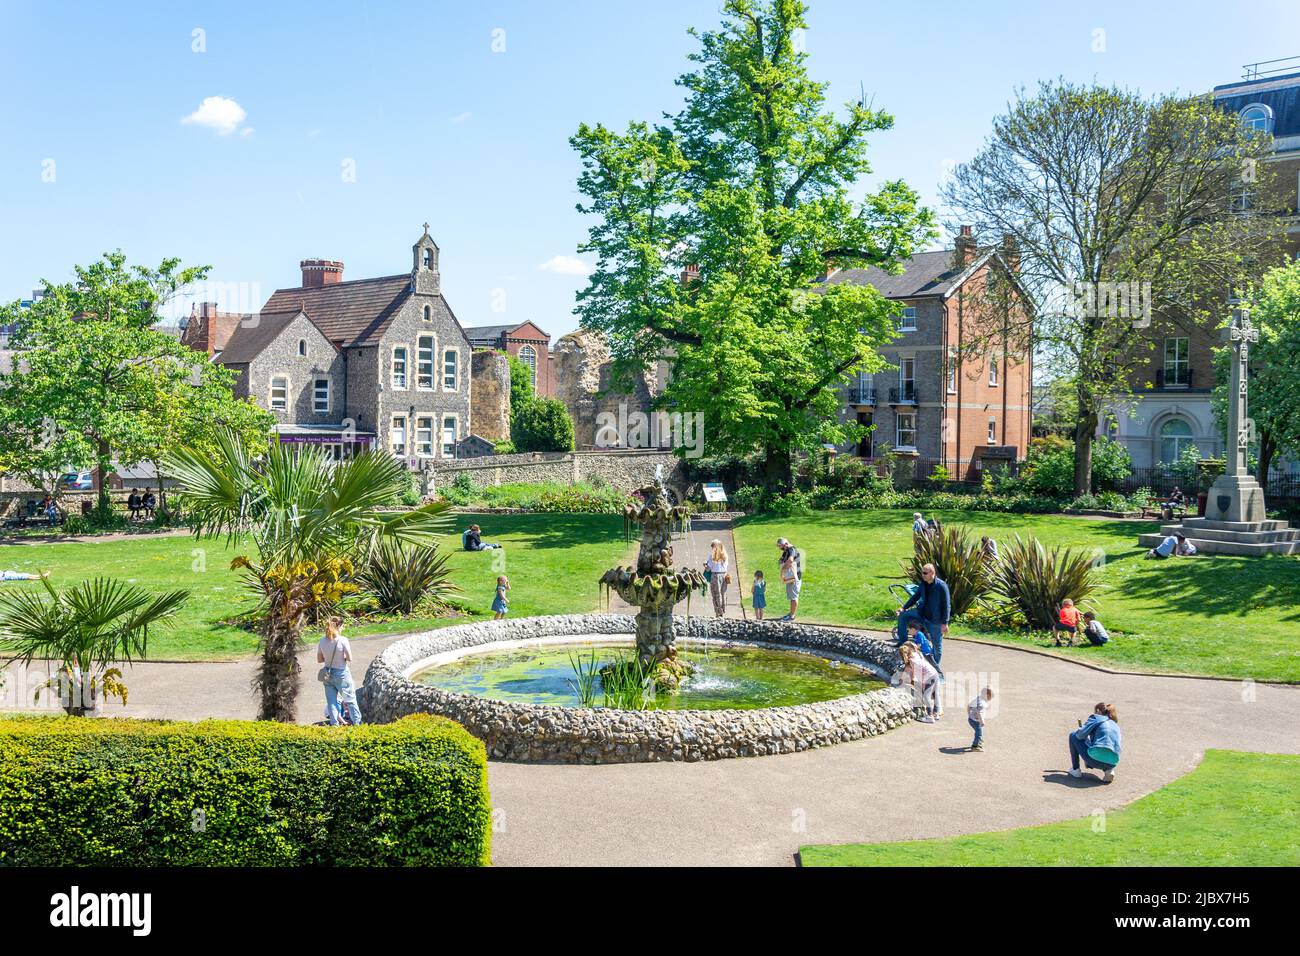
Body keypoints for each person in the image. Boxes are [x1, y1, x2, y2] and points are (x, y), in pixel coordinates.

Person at [316, 618, 361, 726]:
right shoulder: (343, 640)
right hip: (341, 673)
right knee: (350, 699)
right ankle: (357, 724)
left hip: (328, 674)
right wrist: (342, 657)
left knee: (332, 702)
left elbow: (319, 659)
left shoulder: (322, 641)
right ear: (338, 626)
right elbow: (349, 658)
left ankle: (335, 725)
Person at [1068, 702, 1121, 783]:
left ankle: (1076, 770)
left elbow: (1080, 736)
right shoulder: (1115, 725)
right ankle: (1109, 771)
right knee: (1104, 747)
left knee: (1073, 735)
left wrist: (1081, 729)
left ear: (1098, 711)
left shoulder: (1096, 718)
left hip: (1094, 760)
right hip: (1113, 762)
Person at [896, 642, 940, 723]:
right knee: (934, 694)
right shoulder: (916, 655)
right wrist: (902, 679)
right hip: (934, 673)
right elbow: (907, 670)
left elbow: (915, 676)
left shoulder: (913, 661)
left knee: (926, 696)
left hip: (929, 677)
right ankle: (936, 713)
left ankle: (930, 717)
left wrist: (905, 683)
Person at [776, 537, 802, 621]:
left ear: (786, 544)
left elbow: (790, 560)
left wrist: (783, 569)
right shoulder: (787, 551)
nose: (781, 549)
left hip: (794, 577)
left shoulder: (791, 550)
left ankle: (792, 616)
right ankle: (791, 613)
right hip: (790, 577)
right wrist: (781, 561)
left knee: (794, 597)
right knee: (791, 597)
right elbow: (782, 559)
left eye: (781, 547)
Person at [706, 539, 729, 617]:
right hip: (724, 575)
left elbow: (708, 569)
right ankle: (723, 609)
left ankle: (718, 612)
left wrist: (705, 566)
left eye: (712, 545)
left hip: (715, 576)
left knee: (716, 594)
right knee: (723, 593)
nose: (711, 547)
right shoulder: (725, 555)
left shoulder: (712, 556)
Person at [968, 686, 994, 752]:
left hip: (971, 719)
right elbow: (979, 713)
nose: (991, 698)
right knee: (979, 733)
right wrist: (982, 721)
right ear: (987, 695)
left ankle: (979, 741)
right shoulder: (981, 704)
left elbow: (969, 705)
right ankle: (975, 746)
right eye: (991, 696)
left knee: (979, 731)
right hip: (976, 721)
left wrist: (969, 714)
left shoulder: (978, 698)